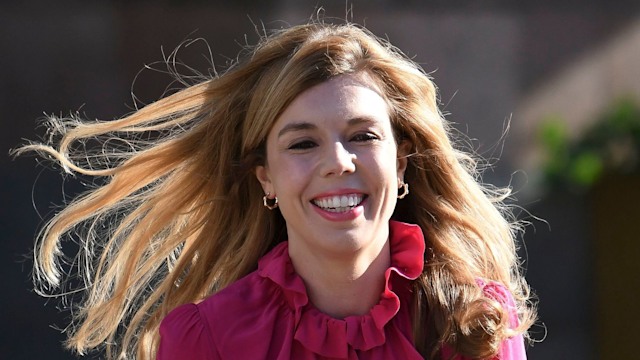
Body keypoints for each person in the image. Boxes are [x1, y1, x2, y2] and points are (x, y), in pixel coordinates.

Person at [15, 21, 536, 359]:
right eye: (303, 144)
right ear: (265, 176)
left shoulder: (479, 322)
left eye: (362, 136)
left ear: (402, 163)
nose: (337, 161)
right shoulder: (205, 340)